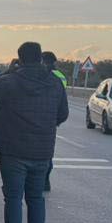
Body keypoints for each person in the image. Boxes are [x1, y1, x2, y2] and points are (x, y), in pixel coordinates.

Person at [0, 42, 68, 223]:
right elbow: (63, 114)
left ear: (20, 58)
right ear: (40, 58)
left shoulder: (11, 80)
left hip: (13, 150)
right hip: (42, 151)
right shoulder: (55, 82)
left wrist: (7, 72)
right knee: (36, 198)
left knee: (13, 198)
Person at [41, 52, 68, 192]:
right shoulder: (60, 77)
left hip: (37, 119)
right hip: (50, 122)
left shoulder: (39, 75)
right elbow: (62, 106)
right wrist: (54, 121)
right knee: (47, 155)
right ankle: (45, 181)